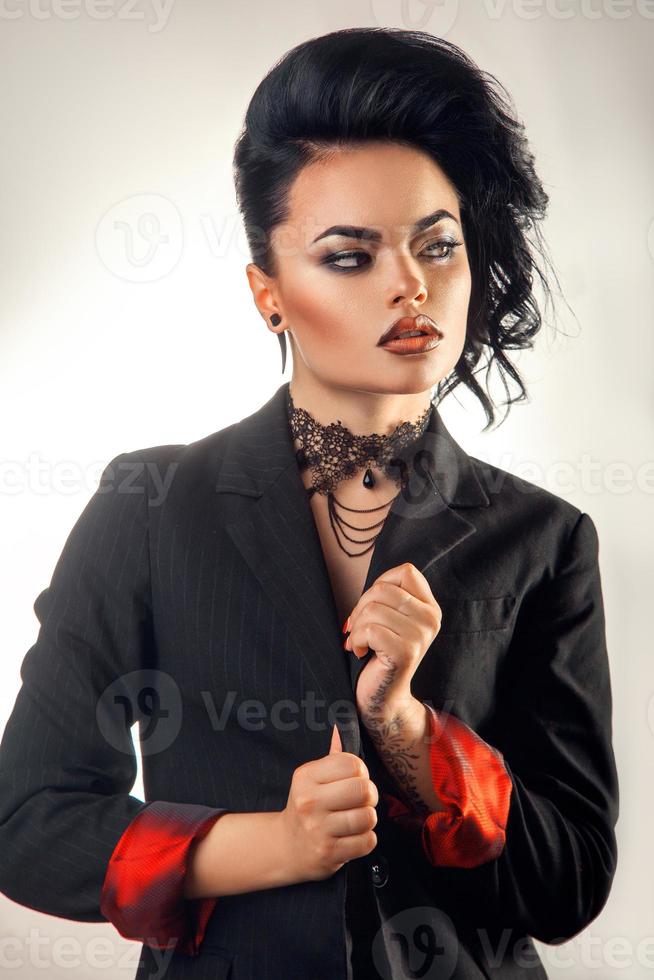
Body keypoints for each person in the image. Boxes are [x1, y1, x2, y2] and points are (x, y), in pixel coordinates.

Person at [0, 27, 618, 980]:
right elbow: (30, 819)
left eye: (437, 245)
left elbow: (572, 882)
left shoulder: (543, 538)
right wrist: (268, 846)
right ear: (268, 293)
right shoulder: (152, 505)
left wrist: (410, 734)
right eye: (348, 256)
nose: (410, 285)